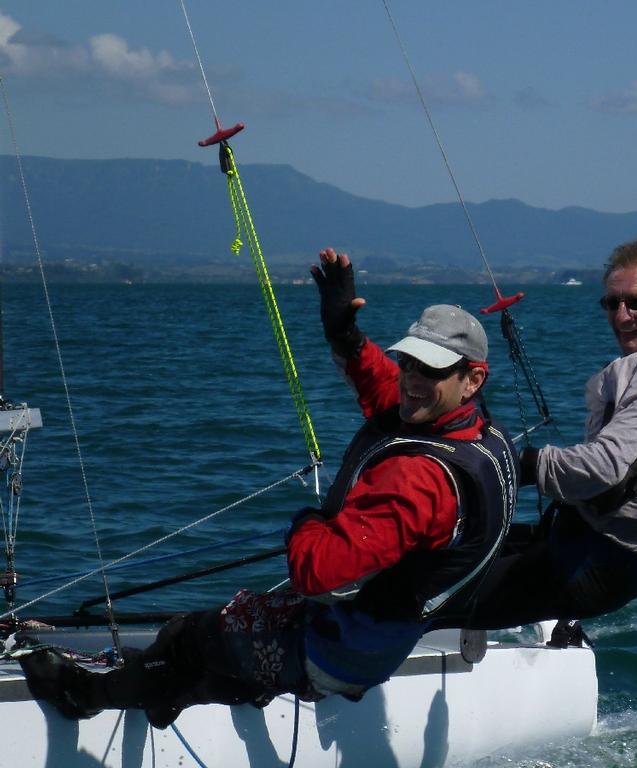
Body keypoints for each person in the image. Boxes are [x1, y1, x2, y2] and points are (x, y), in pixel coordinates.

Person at [19, 248, 518, 726]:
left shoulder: (420, 479)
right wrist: (343, 331)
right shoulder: (473, 430)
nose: (411, 378)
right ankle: (173, 690)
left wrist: (307, 522)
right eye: (408, 361)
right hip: (376, 641)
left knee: (187, 636)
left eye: (429, 369)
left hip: (339, 648)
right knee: (214, 651)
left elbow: (317, 573)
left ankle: (81, 697)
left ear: (472, 379)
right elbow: (382, 388)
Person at [455, 238, 637, 635]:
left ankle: (347, 670)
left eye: (635, 303)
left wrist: (520, 464)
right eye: (611, 303)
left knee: (429, 594)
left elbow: (605, 468)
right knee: (450, 548)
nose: (621, 316)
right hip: (584, 544)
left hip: (596, 563)